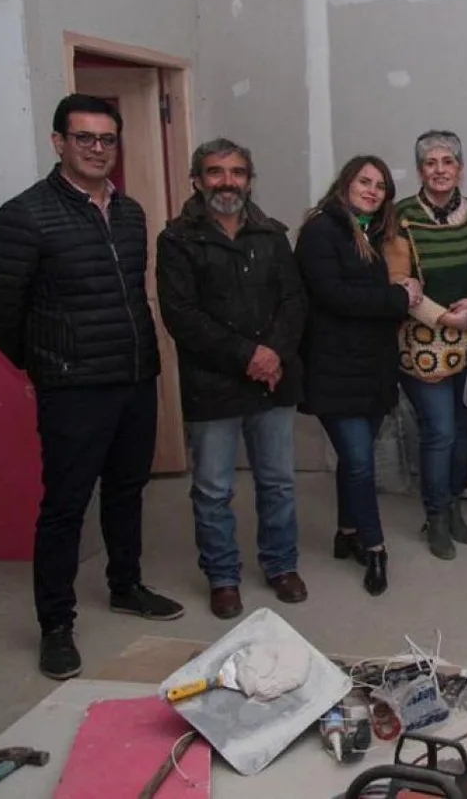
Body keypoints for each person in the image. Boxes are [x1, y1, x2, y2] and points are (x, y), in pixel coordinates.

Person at [0, 94, 184, 680]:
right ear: (58, 142)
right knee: (65, 507)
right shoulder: (25, 216)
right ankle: (56, 625)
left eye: (107, 139)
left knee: (126, 492)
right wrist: (48, 363)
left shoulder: (131, 213)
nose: (97, 149)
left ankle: (126, 585)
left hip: (136, 378)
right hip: (73, 390)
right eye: (85, 138)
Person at [156, 138, 308, 620]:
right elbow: (181, 315)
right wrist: (249, 355)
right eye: (216, 172)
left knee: (278, 483)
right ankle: (223, 577)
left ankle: (280, 565)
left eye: (238, 172)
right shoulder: (177, 239)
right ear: (198, 181)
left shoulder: (272, 235)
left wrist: (274, 354)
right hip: (213, 382)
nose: (228, 181)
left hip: (273, 380)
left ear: (249, 179)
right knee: (213, 489)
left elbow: (294, 301)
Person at [295, 155, 421, 596]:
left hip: (371, 369)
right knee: (361, 463)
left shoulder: (374, 232)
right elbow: (334, 297)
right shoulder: (320, 231)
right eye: (364, 181)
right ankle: (376, 548)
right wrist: (396, 298)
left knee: (356, 458)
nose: (372, 190)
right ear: (345, 183)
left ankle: (345, 532)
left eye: (381, 185)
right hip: (333, 371)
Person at [383, 130, 467, 559]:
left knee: (465, 432)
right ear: (419, 171)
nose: (439, 170)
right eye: (430, 163)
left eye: (447, 162)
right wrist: (444, 316)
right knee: (441, 432)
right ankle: (434, 515)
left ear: (460, 169)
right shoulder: (401, 217)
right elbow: (398, 280)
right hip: (422, 345)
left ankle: (453, 508)